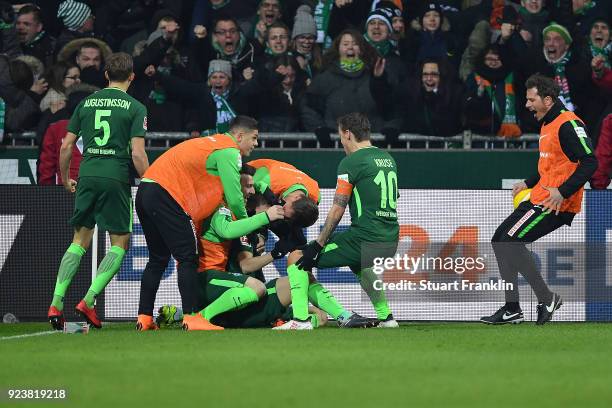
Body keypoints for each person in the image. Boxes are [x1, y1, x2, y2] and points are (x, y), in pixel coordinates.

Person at [482, 74, 598, 326]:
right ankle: (515, 307)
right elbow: (552, 163)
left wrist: (563, 191)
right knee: (499, 241)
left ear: (547, 99)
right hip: (540, 196)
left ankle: (544, 298)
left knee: (509, 242)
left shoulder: (569, 123)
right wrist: (528, 182)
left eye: (530, 99)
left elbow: (590, 162)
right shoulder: (547, 122)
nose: (526, 104)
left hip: (556, 203)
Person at [47, 52, 149, 330]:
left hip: (88, 174)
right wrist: (152, 183)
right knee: (120, 242)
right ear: (132, 77)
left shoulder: (86, 102)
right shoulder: (136, 107)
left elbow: (66, 146)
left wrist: (67, 178)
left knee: (79, 240)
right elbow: (138, 155)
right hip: (115, 177)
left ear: (105, 75)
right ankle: (89, 300)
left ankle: (56, 302)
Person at [276, 112, 400, 330]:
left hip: (364, 237)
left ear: (348, 134)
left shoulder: (350, 163)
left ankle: (300, 320)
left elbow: (337, 209)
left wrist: (318, 244)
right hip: (390, 239)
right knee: (360, 264)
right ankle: (387, 318)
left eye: (341, 136)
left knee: (296, 258)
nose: (341, 141)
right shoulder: (388, 159)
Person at [135, 115, 259, 331]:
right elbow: (235, 198)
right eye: (254, 138)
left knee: (158, 258)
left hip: (145, 188)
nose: (256, 144)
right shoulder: (229, 151)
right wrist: (250, 226)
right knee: (188, 257)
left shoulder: (211, 143)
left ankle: (144, 317)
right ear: (240, 136)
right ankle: (192, 317)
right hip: (167, 194)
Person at [191, 164, 286, 330]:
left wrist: (257, 235)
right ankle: (200, 317)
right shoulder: (219, 208)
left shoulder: (231, 209)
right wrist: (266, 217)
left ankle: (181, 314)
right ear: (234, 185)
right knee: (257, 288)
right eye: (248, 186)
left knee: (260, 290)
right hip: (205, 277)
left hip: (216, 276)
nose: (252, 192)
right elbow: (227, 231)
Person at [156, 276, 330, 329]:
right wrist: (309, 310)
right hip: (260, 310)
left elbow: (321, 317)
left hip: (258, 311)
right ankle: (180, 315)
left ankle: (180, 315)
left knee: (222, 318)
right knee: (303, 277)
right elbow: (321, 317)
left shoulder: (281, 306)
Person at [16, 4, 56, 68]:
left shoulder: (52, 49)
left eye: (26, 24)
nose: (20, 27)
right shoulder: (12, 46)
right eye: (18, 23)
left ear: (39, 27)